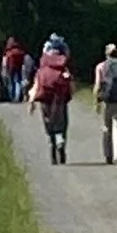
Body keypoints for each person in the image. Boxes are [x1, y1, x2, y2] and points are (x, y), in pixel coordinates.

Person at [29, 35, 73, 164]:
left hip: (45, 100)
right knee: (62, 124)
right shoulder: (63, 68)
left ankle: (53, 149)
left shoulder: (42, 70)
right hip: (60, 100)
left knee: (49, 124)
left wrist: (31, 102)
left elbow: (36, 86)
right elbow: (71, 85)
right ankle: (60, 142)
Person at [93, 41, 117, 164]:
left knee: (106, 128)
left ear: (106, 54)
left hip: (106, 101)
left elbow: (98, 85)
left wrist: (96, 101)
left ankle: (108, 155)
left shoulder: (101, 66)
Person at [2, 37, 27, 103]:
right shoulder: (21, 52)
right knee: (18, 81)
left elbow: (6, 62)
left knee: (11, 82)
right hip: (19, 68)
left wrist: (6, 69)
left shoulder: (9, 52)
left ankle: (12, 97)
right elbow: (23, 61)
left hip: (11, 68)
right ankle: (17, 96)